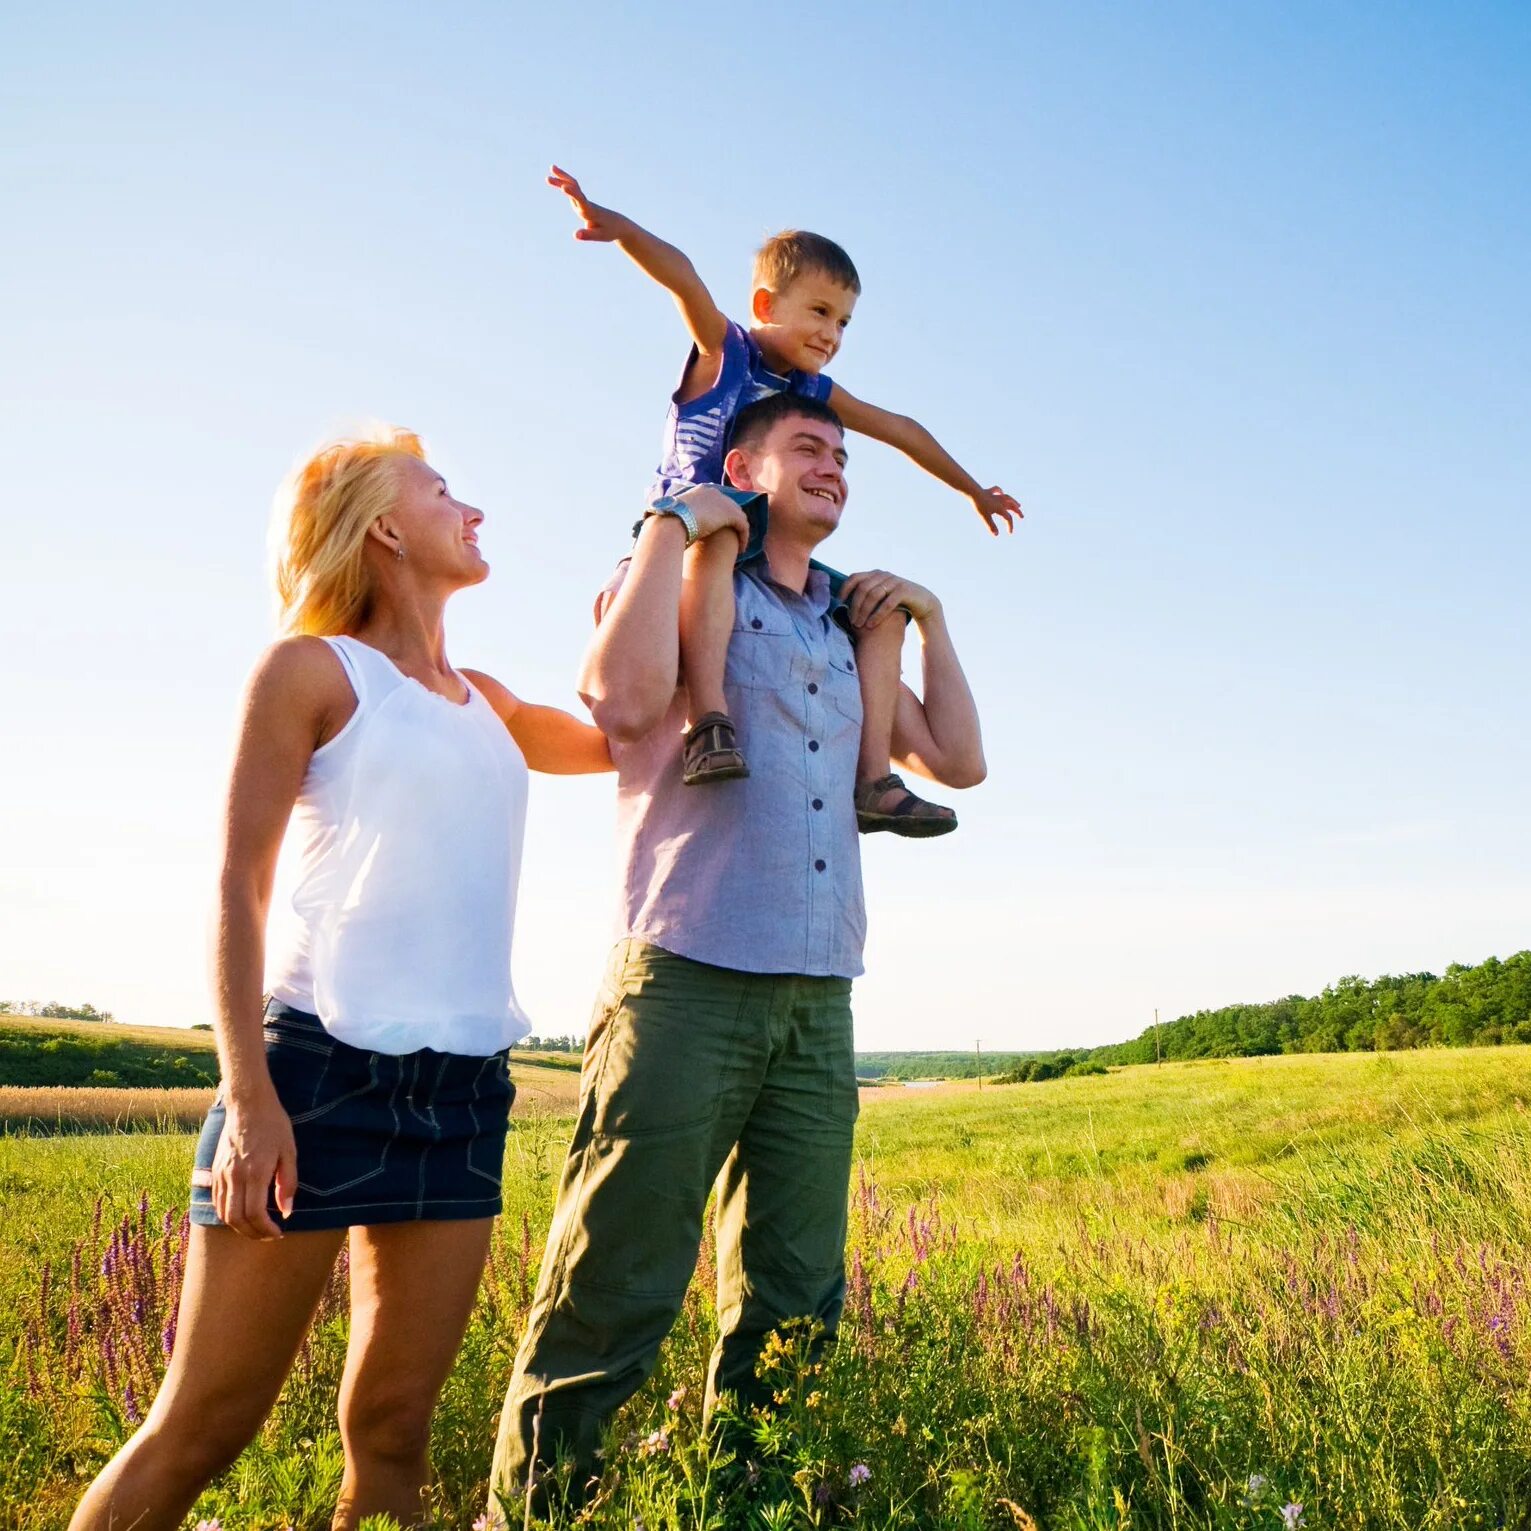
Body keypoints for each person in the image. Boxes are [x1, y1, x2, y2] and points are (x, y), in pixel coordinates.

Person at [69, 426, 613, 1531]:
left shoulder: (493, 704)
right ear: (383, 528)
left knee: (394, 1427)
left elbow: (629, 737)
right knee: (205, 1424)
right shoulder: (311, 671)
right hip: (314, 1077)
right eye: (445, 490)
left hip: (462, 1091)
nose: (475, 510)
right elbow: (239, 887)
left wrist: (670, 563)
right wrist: (250, 1099)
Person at [489, 392, 988, 1514]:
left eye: (845, 458)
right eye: (810, 447)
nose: (837, 467)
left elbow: (959, 759)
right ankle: (534, 1511)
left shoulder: (841, 629)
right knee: (614, 1277)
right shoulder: (683, 583)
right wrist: (673, 522)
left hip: (820, 995)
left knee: (796, 1295)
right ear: (746, 466)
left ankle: (749, 1505)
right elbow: (617, 701)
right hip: (686, 975)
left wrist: (933, 619)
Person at [547, 165, 1016, 832]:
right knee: (724, 532)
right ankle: (709, 719)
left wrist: (970, 488)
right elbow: (684, 278)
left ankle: (872, 779)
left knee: (874, 609)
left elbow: (899, 427)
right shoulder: (727, 352)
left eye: (844, 322)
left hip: (762, 545)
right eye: (819, 312)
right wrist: (620, 229)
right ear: (767, 305)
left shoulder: (812, 392)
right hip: (693, 528)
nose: (832, 334)